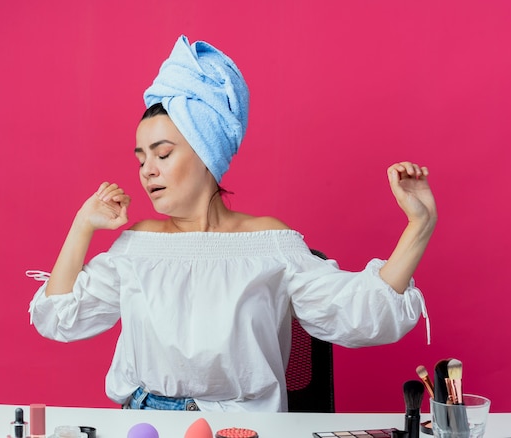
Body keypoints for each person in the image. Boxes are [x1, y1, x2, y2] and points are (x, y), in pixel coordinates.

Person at [28, 35, 437, 412]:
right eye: (140, 159)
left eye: (163, 153)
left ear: (207, 153)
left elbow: (360, 313)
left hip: (244, 425)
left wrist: (419, 226)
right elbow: (60, 317)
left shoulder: (269, 243)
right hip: (146, 422)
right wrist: (82, 225)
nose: (147, 171)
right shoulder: (136, 247)